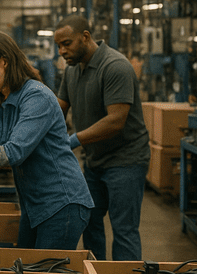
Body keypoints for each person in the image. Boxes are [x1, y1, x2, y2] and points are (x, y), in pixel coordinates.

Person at [0, 31, 94, 249]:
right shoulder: (8, 98)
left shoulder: (36, 96)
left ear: (5, 62)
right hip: (35, 204)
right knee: (25, 270)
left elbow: (12, 153)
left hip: (62, 204)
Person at [54, 15, 150, 260]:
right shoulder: (72, 71)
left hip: (126, 160)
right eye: (59, 46)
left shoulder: (115, 66)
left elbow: (115, 121)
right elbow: (58, 108)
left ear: (85, 37)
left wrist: (73, 140)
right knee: (89, 221)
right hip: (95, 161)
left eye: (67, 43)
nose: (62, 51)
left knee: (124, 229)